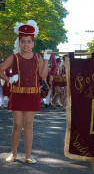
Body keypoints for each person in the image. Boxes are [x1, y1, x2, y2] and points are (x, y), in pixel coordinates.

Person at [0, 20, 51, 164]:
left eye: (29, 42)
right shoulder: (14, 57)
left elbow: (42, 76)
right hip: (17, 95)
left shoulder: (37, 57)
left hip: (32, 95)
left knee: (29, 125)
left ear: (33, 43)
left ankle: (28, 155)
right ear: (19, 42)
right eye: (23, 41)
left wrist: (46, 60)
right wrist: (9, 78)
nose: (26, 45)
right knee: (17, 125)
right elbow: (0, 69)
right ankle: (13, 153)